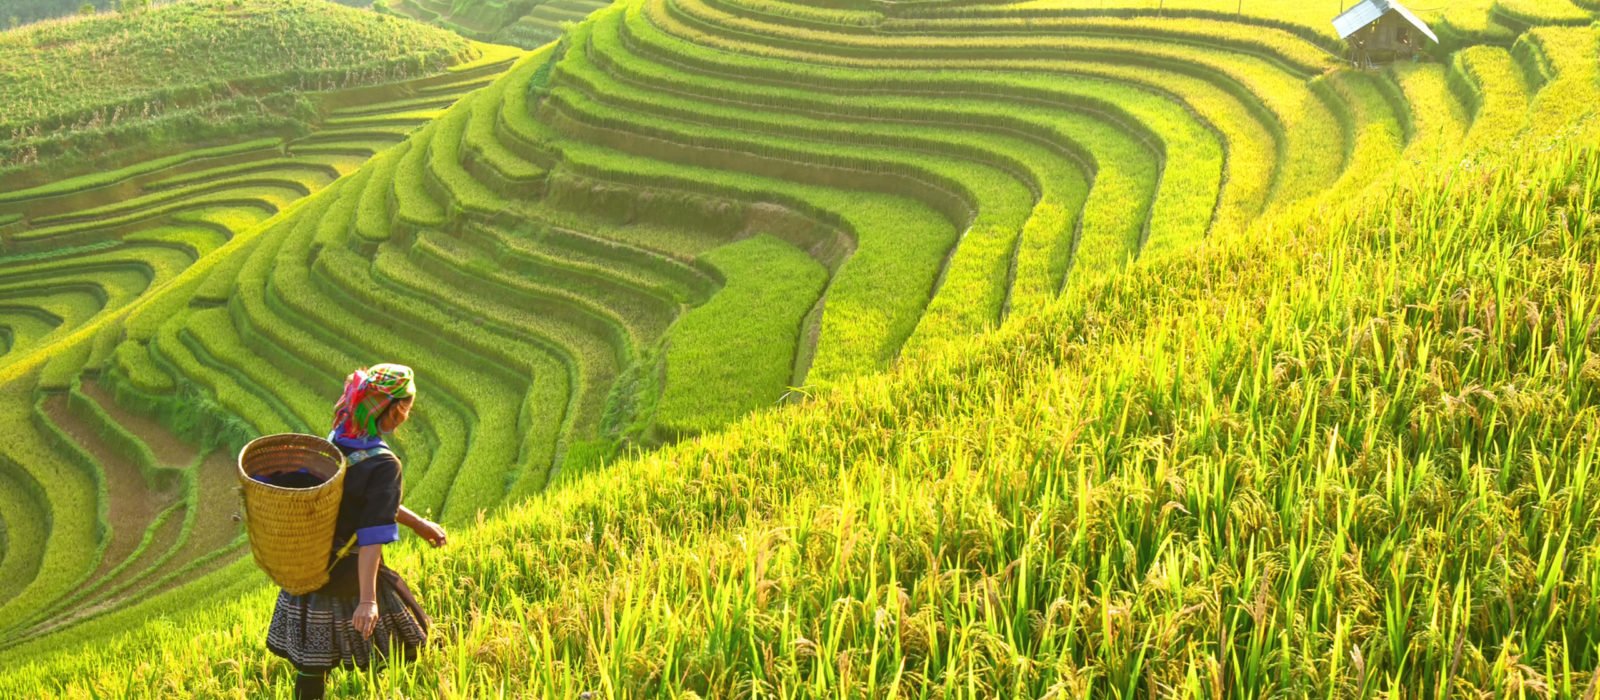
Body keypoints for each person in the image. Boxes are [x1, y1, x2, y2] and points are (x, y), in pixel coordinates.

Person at [265, 363, 447, 700]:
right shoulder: (384, 465)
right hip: (349, 571)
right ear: (392, 411)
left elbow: (366, 503)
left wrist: (420, 525)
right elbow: (372, 535)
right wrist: (367, 600)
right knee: (409, 641)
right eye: (406, 406)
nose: (408, 413)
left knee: (311, 662)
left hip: (312, 561)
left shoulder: (338, 438)